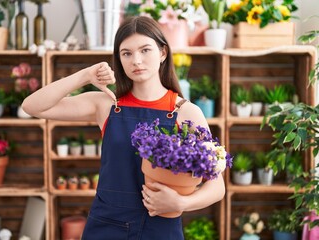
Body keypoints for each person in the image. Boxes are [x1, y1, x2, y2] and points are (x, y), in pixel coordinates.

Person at [22, 16, 225, 240]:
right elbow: (32, 106)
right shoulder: (107, 104)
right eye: (126, 53)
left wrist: (182, 203)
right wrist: (85, 75)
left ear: (163, 53)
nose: (136, 60)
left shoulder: (186, 113)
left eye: (145, 50)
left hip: (161, 227)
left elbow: (217, 187)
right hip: (106, 226)